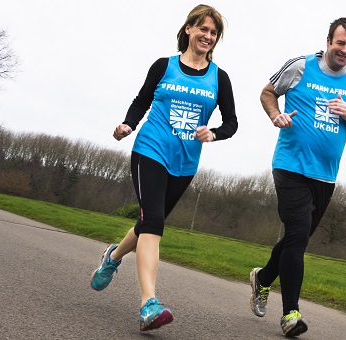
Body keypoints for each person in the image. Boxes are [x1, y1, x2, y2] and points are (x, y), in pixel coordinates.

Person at [89, 4, 237, 332]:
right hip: (151, 149)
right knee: (154, 222)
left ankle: (112, 258)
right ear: (189, 29)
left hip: (185, 162)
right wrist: (128, 125)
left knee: (148, 223)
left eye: (214, 33)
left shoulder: (219, 78)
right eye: (203, 29)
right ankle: (148, 304)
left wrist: (213, 133)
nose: (208, 36)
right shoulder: (164, 66)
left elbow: (232, 123)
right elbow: (141, 100)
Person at [249, 17, 346, 337]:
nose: (345, 50)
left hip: (325, 177)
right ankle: (290, 313)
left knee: (296, 238)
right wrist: (275, 114)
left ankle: (263, 279)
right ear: (328, 41)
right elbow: (267, 92)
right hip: (290, 165)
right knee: (298, 231)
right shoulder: (301, 66)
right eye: (340, 43)